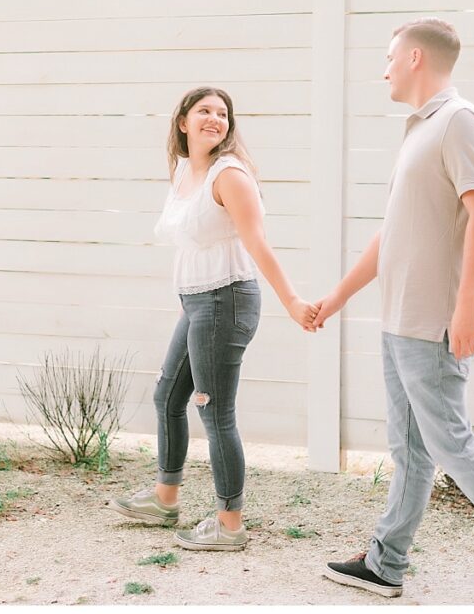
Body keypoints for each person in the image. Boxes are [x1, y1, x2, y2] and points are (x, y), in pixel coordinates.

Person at [313, 19, 474, 605]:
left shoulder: (459, 122)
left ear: (412, 58)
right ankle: (386, 562)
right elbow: (391, 234)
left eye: (387, 58)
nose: (382, 69)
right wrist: (336, 298)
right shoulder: (418, 130)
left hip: (433, 322)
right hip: (398, 319)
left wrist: (468, 306)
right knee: (410, 449)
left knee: (452, 444)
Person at [108, 87, 320, 551]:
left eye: (222, 113)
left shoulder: (230, 175)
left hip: (226, 300)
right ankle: (165, 499)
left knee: (214, 411)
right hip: (197, 302)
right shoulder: (186, 169)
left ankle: (229, 525)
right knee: (168, 396)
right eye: (204, 111)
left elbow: (258, 243)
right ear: (182, 121)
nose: (214, 119)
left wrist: (292, 302)